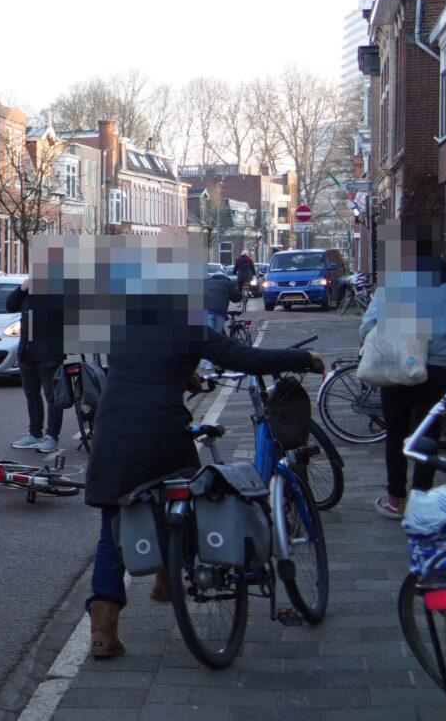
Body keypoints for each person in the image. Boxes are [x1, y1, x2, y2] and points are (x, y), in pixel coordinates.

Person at [80, 265, 323, 660]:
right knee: (190, 499)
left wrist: (183, 375)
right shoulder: (187, 328)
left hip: (113, 432)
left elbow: (144, 365)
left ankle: (104, 631)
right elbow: (245, 358)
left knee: (114, 525)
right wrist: (301, 358)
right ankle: (174, 576)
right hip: (162, 430)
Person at [360, 247, 446, 520]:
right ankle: (421, 501)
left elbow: (367, 326)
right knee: (428, 434)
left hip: (397, 370)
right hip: (436, 372)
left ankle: (396, 500)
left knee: (395, 433)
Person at [14, 273, 67, 455]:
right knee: (32, 395)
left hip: (49, 355)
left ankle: (52, 436)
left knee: (52, 397)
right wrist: (21, 289)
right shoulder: (27, 293)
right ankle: (34, 434)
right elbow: (9, 305)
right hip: (26, 354)